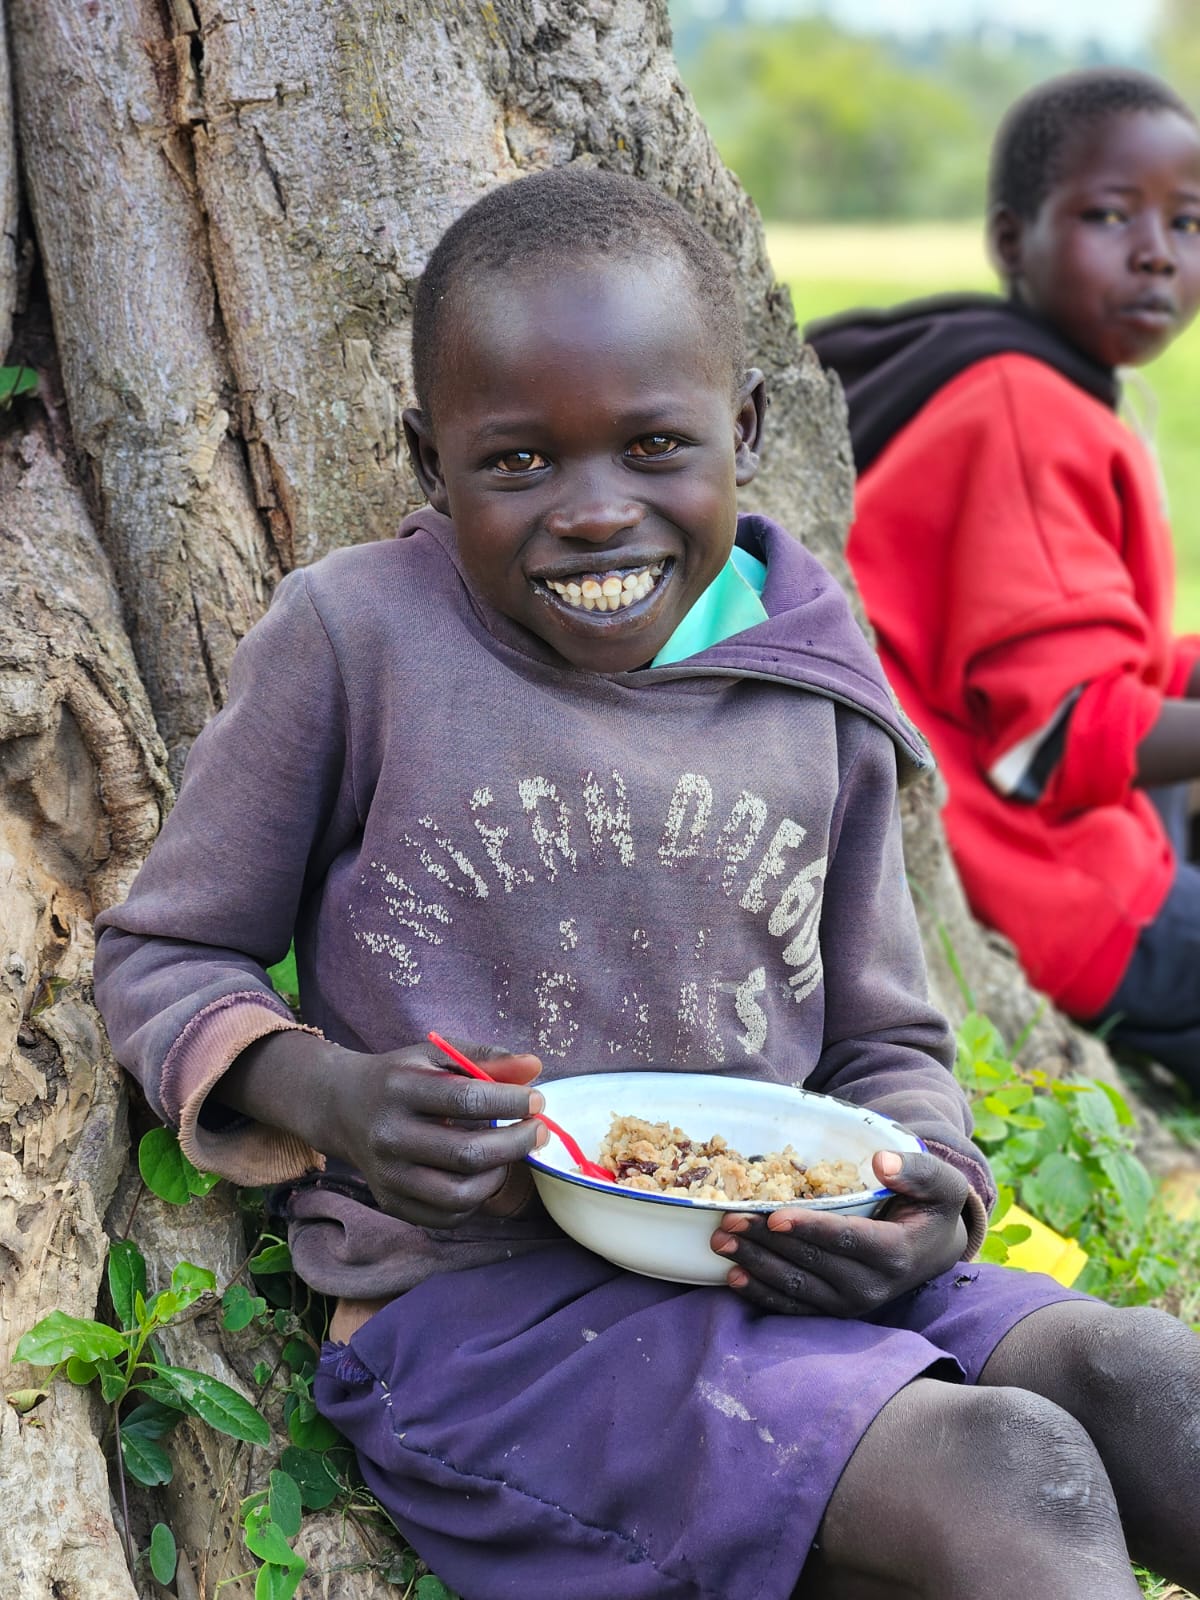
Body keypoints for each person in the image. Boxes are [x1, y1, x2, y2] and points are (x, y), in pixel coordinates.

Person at [93, 166, 1200, 1600]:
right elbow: (166, 955)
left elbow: (886, 1045)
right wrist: (330, 1096)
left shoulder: (811, 679)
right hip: (484, 1318)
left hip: (779, 1270)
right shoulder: (355, 643)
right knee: (1007, 1475)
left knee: (1139, 1371)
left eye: (654, 446)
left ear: (742, 431)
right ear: (431, 461)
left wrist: (928, 1199)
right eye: (519, 464)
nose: (596, 513)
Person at [807, 68, 1200, 1095]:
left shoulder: (1000, 374)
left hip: (1034, 842)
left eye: (1188, 223)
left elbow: (1094, 652)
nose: (1158, 251)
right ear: (1013, 238)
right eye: (1110, 216)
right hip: (1043, 882)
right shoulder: (1029, 414)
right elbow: (1055, 735)